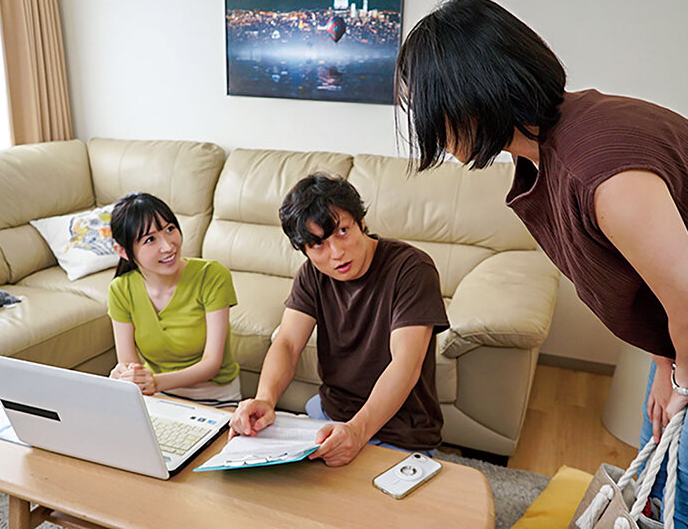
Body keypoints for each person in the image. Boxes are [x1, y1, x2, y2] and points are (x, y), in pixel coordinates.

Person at [396, 0, 688, 527]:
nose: (425, 126)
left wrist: (680, 383)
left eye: (425, 107)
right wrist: (665, 364)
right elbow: (658, 288)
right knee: (652, 491)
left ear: (471, 96)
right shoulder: (552, 143)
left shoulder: (601, 174)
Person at [229, 173, 449, 466]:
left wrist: (357, 432)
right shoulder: (312, 275)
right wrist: (265, 399)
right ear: (305, 250)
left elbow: (405, 364)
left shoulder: (412, 269)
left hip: (400, 430)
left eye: (343, 231)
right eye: (317, 244)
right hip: (329, 414)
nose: (337, 253)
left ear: (361, 222)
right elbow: (288, 343)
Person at [107, 192, 241, 402]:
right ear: (123, 251)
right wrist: (129, 377)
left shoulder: (212, 275)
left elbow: (212, 363)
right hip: (155, 395)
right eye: (150, 239)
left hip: (214, 396)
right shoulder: (121, 289)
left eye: (170, 229)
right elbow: (129, 364)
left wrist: (155, 382)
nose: (168, 246)